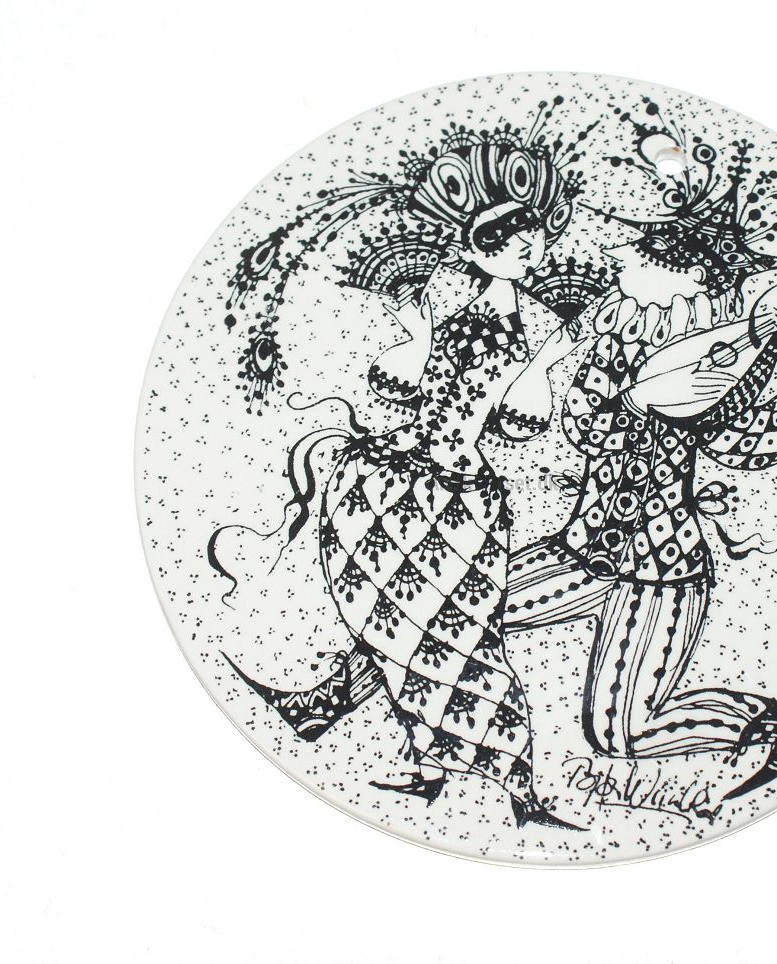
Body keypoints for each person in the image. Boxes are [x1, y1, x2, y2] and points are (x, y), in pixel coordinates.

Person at [221, 120, 588, 830]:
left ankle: (502, 781)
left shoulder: (508, 326)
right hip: (414, 486)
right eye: (518, 244)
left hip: (439, 491)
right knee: (412, 629)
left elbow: (497, 415)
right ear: (484, 250)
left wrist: (531, 361)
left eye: (535, 243)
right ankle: (443, 770)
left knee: (447, 635)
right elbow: (451, 401)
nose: (533, 252)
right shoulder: (485, 323)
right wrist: (441, 341)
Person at [502, 137, 777, 797]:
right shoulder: (622, 341)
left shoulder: (724, 361)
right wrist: (623, 392)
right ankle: (334, 698)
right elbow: (586, 426)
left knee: (620, 734)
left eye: (639, 250)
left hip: (662, 570)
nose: (618, 257)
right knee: (459, 609)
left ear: (684, 275)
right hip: (581, 551)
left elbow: (750, 445)